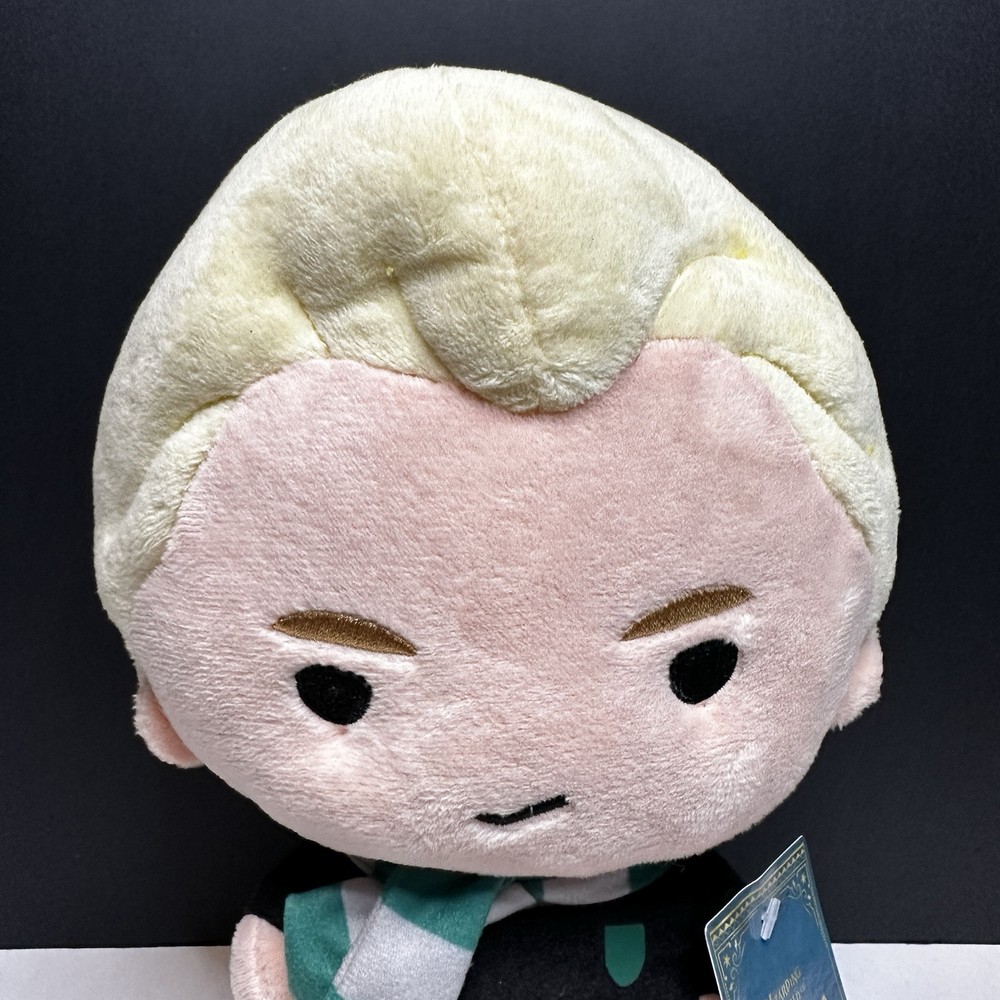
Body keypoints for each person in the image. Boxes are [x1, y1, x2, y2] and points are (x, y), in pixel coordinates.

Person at [94, 67, 898, 1000]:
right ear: (167, 704)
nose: (520, 765)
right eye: (338, 687)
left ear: (851, 664)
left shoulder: (712, 915)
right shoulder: (330, 916)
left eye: (699, 665)